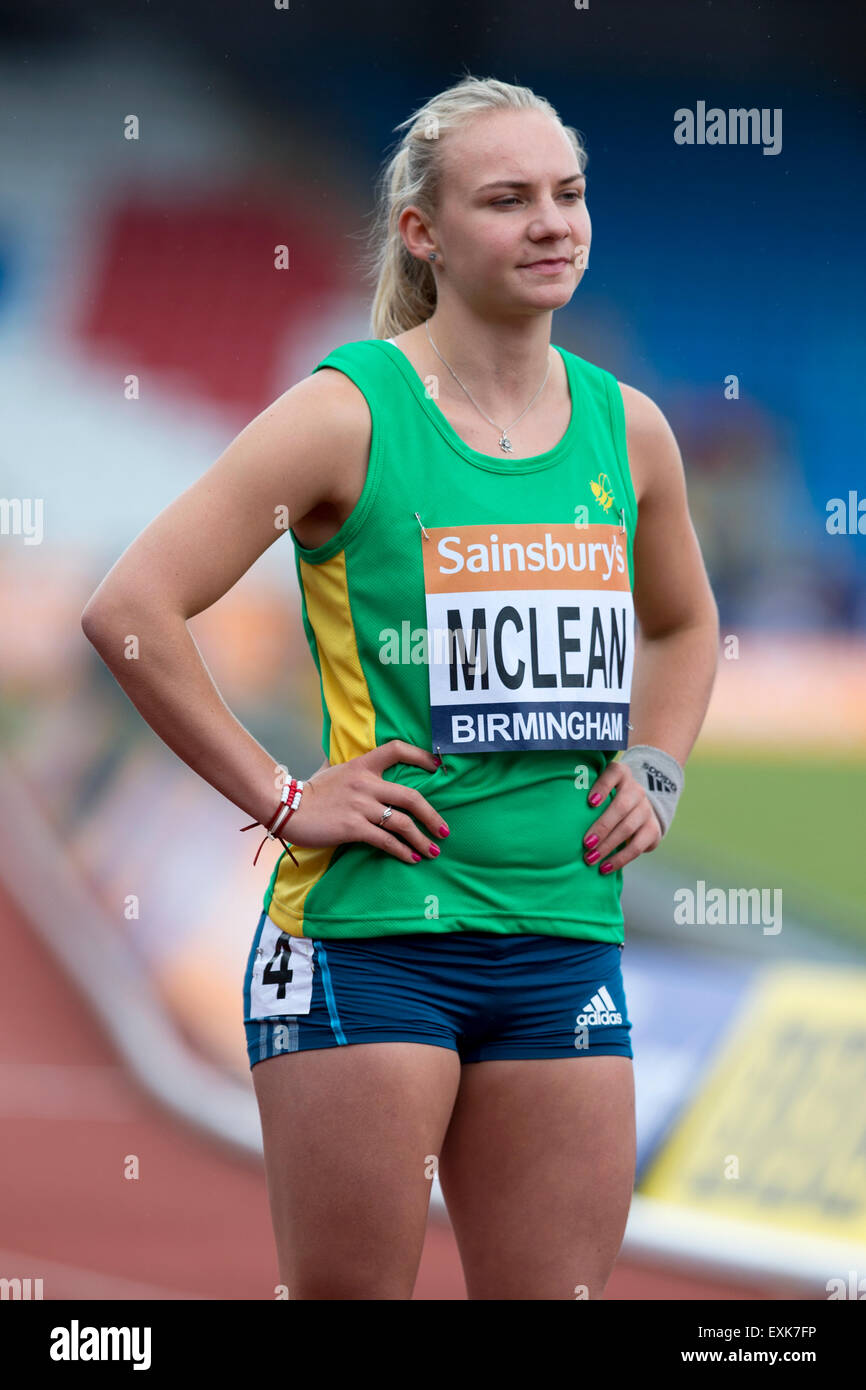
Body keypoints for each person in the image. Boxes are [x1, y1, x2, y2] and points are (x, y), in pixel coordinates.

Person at [81, 74, 719, 1300]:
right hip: (373, 944)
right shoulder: (344, 416)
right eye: (508, 199)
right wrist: (280, 795)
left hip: (564, 942)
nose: (551, 223)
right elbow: (132, 609)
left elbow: (685, 624)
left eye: (568, 194)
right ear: (421, 232)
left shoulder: (627, 429)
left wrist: (656, 761)